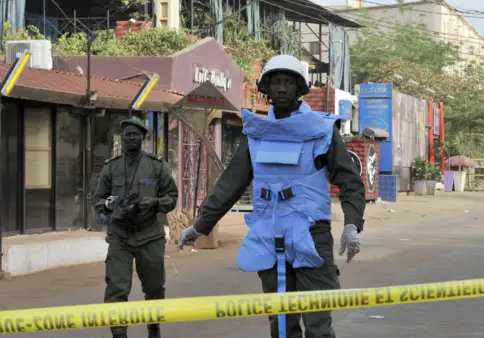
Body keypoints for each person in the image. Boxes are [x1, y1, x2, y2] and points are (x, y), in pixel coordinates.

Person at [179, 54, 366, 338]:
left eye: (288, 82)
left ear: (299, 88)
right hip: (268, 233)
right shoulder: (257, 133)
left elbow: (350, 182)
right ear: (266, 89)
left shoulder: (322, 131)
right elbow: (231, 183)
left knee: (317, 322)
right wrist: (200, 226)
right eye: (275, 82)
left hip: (311, 233)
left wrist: (352, 224)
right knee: (280, 324)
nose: (281, 88)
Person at [94, 117, 178, 338]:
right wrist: (109, 205)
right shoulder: (111, 168)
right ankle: (119, 334)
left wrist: (155, 203)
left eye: (136, 134)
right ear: (122, 138)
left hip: (149, 234)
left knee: (154, 288)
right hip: (120, 235)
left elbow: (172, 196)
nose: (132, 138)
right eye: (128, 134)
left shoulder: (156, 166)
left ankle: (154, 329)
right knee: (116, 288)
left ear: (143, 137)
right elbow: (98, 200)